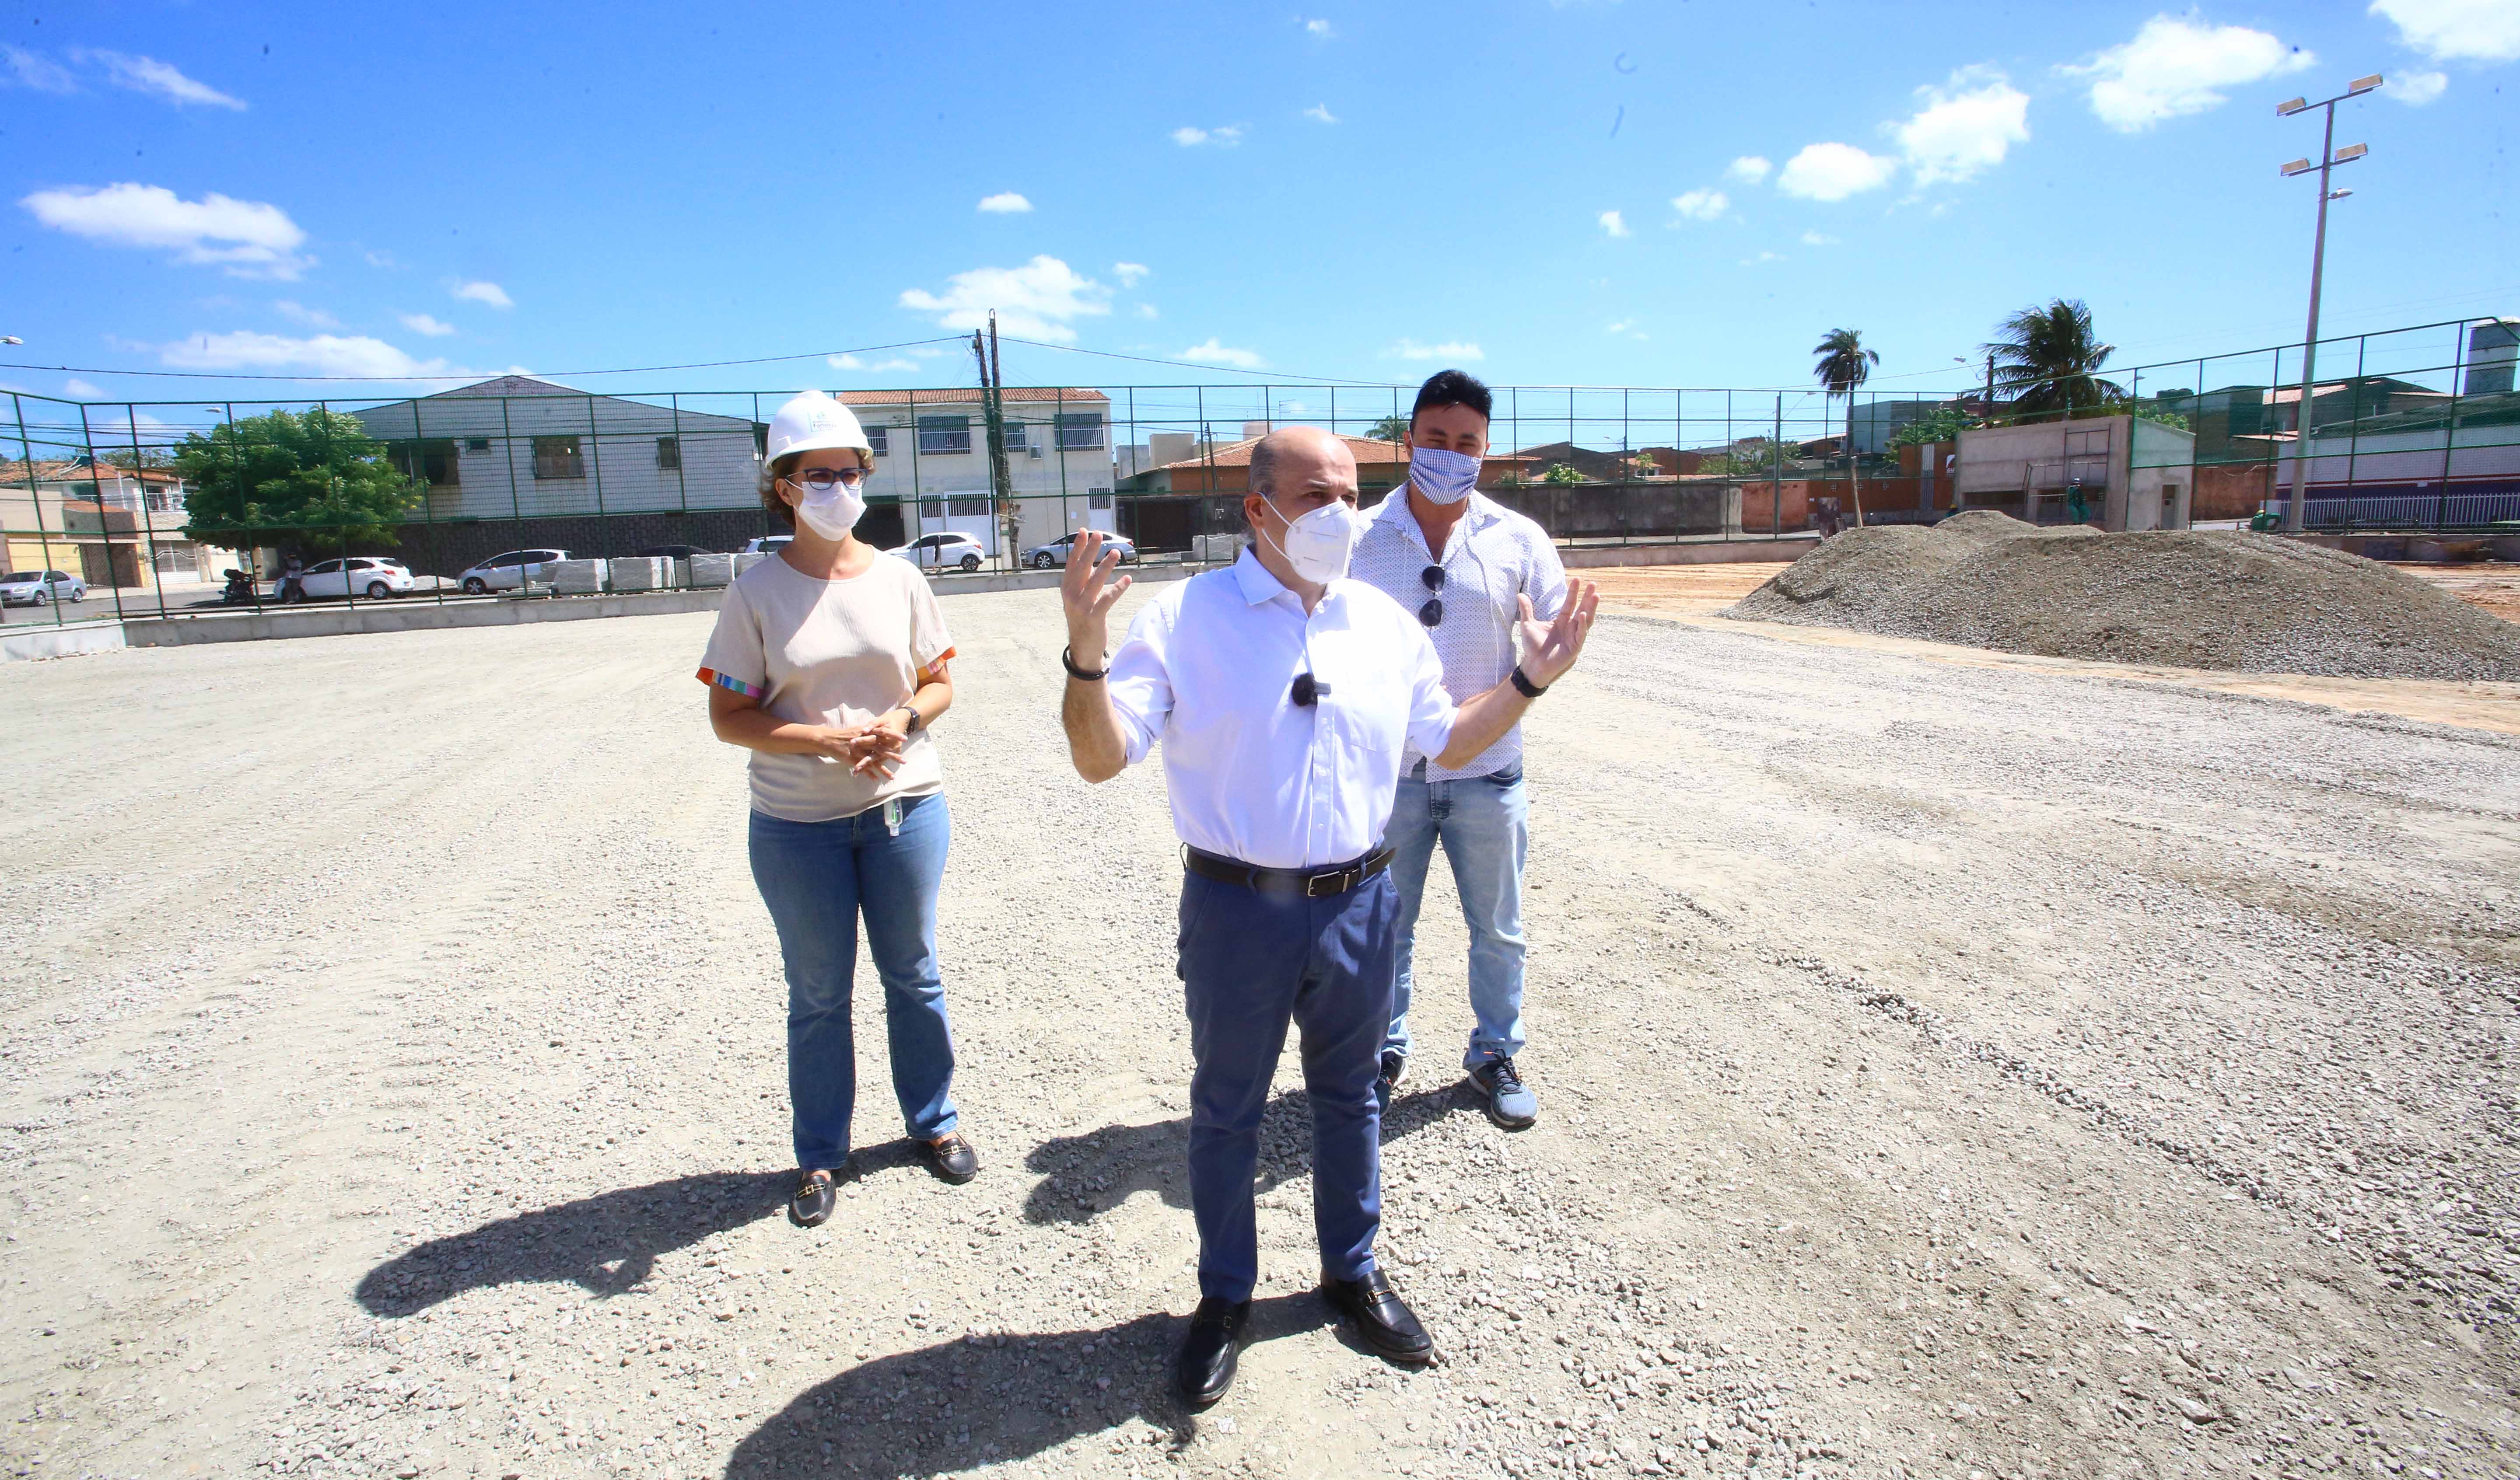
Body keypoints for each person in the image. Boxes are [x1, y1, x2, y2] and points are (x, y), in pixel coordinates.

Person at [1058, 426, 1597, 1407]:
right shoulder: (1186, 619)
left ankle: (1352, 1277)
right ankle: (1225, 1299)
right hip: (1236, 910)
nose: (1341, 515)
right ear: (1257, 510)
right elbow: (1101, 758)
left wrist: (1529, 681)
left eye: (1352, 493)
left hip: (1360, 903)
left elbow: (1449, 737)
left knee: (1352, 1101)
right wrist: (1085, 659)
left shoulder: (1386, 627)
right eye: (1317, 496)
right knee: (1227, 1110)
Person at [696, 389, 978, 1231]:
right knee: (818, 993)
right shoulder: (756, 594)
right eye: (818, 476)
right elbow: (728, 717)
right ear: (783, 487)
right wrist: (823, 740)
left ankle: (934, 1126)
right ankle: (821, 1153)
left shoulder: (900, 579)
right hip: (796, 827)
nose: (837, 489)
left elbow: (941, 681)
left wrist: (899, 721)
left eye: (850, 473)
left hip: (903, 811)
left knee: (915, 976)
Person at [1349, 370, 1567, 1131]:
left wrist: (1547, 651)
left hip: (1488, 773)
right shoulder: (1360, 537)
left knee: (1499, 928)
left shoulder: (1518, 540)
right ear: (1410, 439)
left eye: (1466, 442)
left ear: (1486, 450)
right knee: (1385, 929)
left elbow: (1552, 637)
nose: (1450, 453)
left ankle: (1495, 1054)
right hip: (1392, 780)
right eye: (1436, 439)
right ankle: (1382, 1053)